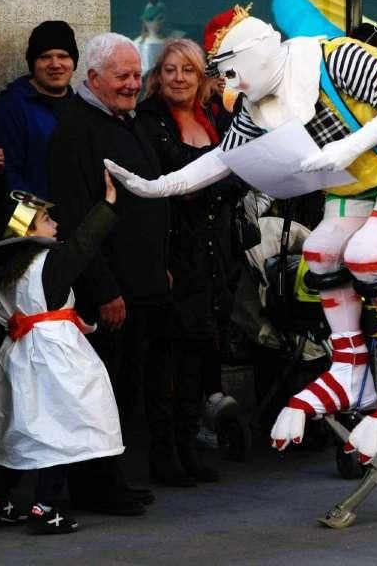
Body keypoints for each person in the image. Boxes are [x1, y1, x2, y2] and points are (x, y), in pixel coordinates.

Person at [106, 5, 377, 465]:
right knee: (319, 251)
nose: (230, 85)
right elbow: (224, 159)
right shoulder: (257, 106)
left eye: (232, 71)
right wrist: (155, 187)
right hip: (366, 172)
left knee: (367, 252)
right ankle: (350, 366)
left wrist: (350, 144)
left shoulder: (335, 58)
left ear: (257, 55)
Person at [46, 32, 180, 500]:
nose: (132, 84)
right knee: (102, 388)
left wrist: (159, 264)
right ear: (94, 78)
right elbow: (78, 213)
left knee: (128, 384)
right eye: (122, 76)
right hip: (108, 289)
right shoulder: (75, 129)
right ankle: (96, 484)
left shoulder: (131, 120)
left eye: (137, 75)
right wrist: (104, 289)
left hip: (143, 282)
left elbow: (151, 193)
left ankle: (113, 479)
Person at [0, 173, 124, 534]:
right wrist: (108, 205)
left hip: (16, 355)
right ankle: (45, 506)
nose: (55, 224)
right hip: (53, 360)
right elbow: (84, 244)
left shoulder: (2, 271)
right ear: (27, 231)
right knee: (59, 427)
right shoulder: (47, 264)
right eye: (46, 219)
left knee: (20, 428)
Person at [136, 38, 245, 482]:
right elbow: (174, 174)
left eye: (188, 70)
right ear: (156, 77)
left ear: (202, 78)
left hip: (214, 254)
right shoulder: (149, 120)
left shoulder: (215, 118)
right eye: (169, 69)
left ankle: (187, 446)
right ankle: (164, 454)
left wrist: (207, 178)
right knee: (166, 359)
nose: (178, 78)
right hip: (171, 252)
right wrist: (212, 174)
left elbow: (238, 174)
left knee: (199, 355)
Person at [0, 20, 77, 197]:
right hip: (34, 221)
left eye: (63, 56)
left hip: (75, 221)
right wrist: (32, 224)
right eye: (45, 57)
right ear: (33, 63)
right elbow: (10, 180)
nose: (55, 64)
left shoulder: (79, 107)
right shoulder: (11, 108)